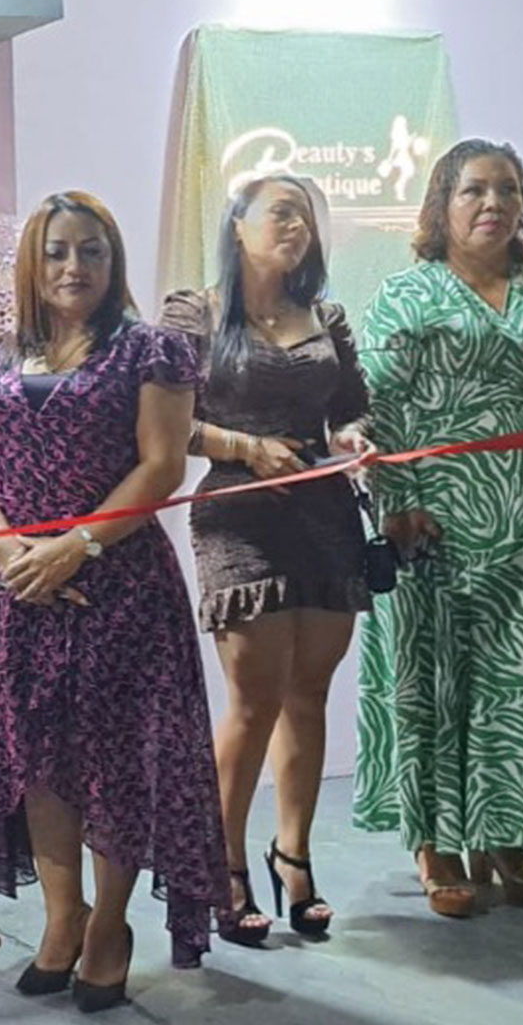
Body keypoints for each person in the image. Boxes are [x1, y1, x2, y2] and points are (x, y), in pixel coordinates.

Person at [0, 191, 227, 1009]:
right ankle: (61, 919)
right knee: (37, 761)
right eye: (58, 251)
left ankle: (109, 925)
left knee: (116, 763)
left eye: (91, 251)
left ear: (114, 260)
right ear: (32, 262)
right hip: (13, 590)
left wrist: (74, 547)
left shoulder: (151, 351)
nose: (74, 267)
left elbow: (161, 466)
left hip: (117, 586)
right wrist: (10, 551)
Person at [355, 137, 523, 917]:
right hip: (433, 523)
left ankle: (504, 836)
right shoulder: (406, 295)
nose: (493, 204)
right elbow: (377, 412)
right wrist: (396, 504)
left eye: (509, 190)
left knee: (514, 683)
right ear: (442, 204)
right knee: (437, 680)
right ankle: (436, 844)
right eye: (475, 190)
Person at [159, 174, 372, 945]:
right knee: (253, 702)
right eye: (281, 212)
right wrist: (245, 447)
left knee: (309, 693)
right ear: (236, 225)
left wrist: (351, 436)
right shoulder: (193, 313)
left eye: (305, 218)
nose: (297, 228)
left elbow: (353, 406)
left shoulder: (327, 316)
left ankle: (294, 857)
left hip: (325, 514)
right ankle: (223, 867)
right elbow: (163, 424)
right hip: (238, 516)